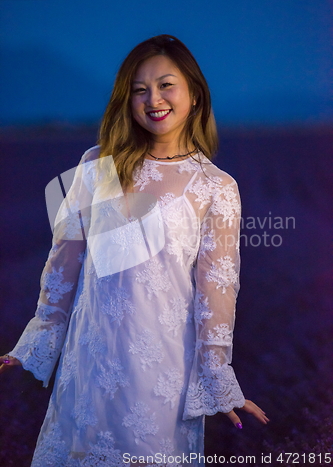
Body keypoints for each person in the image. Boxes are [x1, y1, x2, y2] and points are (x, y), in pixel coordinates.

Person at [0, 34, 269, 466]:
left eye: (166, 85)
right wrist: (37, 339)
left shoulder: (216, 187)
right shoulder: (95, 166)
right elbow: (63, 263)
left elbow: (217, 291)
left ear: (195, 95)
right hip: (87, 368)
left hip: (162, 377)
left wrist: (217, 378)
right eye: (139, 90)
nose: (153, 99)